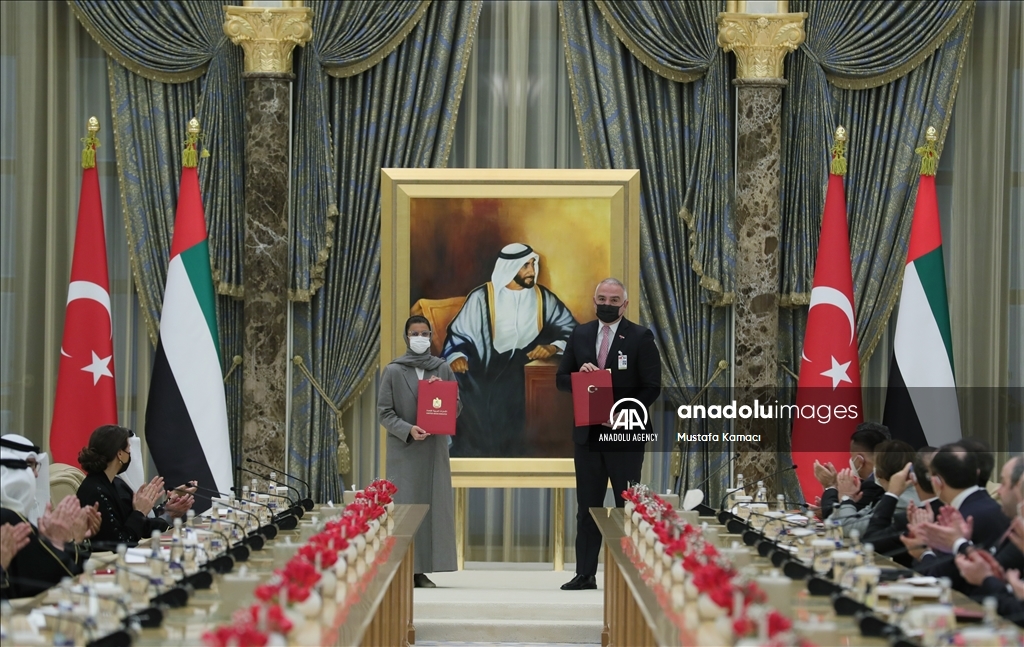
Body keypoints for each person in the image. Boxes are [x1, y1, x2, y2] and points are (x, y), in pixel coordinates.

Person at [556, 278, 661, 591]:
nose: (607, 304)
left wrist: (625, 412)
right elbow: (561, 379)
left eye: (614, 300)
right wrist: (579, 375)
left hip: (624, 435)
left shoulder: (641, 337)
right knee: (588, 507)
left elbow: (652, 387)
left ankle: (630, 573)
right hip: (588, 435)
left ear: (624, 304)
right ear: (594, 300)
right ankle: (585, 574)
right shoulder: (580, 334)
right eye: (602, 298)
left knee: (627, 506)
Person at [442, 243, 577, 456]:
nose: (532, 271)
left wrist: (553, 347)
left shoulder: (543, 298)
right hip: (483, 364)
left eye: (532, 264)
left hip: (522, 365)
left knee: (514, 395)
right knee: (462, 387)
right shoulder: (482, 297)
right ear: (509, 268)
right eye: (525, 266)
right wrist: (457, 355)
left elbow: (572, 330)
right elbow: (459, 335)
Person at [379, 315, 461, 588]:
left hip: (433, 451)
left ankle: (422, 570)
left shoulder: (442, 368)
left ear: (431, 336)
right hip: (404, 450)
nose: (420, 338)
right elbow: (384, 412)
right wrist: (408, 429)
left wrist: (443, 394)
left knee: (431, 507)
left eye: (425, 334)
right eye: (415, 334)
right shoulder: (393, 370)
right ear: (406, 337)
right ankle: (404, 567)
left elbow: (457, 408)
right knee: (405, 508)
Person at [1, 435, 97, 598]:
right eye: (28, 466)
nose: (35, 474)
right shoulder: (10, 519)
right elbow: (60, 577)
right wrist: (59, 542)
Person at [76, 425, 194, 546]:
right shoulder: (96, 491)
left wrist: (166, 509)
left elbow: (141, 525)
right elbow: (121, 542)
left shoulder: (115, 484)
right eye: (129, 448)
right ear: (120, 454)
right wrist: (140, 511)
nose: (130, 453)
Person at [813, 423, 888, 519]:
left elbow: (841, 521)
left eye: (852, 457)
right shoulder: (867, 482)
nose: (851, 461)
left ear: (860, 460)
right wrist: (829, 504)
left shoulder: (874, 485)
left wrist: (830, 486)